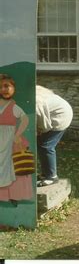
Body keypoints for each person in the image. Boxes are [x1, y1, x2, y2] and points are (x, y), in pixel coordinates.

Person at [0, 74, 33, 203]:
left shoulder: (13, 106)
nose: (4, 89)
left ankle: (13, 195)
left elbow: (25, 119)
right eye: (1, 87)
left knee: (12, 165)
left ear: (13, 88)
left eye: (7, 86)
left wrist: (17, 134)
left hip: (9, 138)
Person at [36, 85, 73, 187]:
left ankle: (51, 177)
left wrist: (40, 131)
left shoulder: (35, 102)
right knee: (41, 144)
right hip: (55, 113)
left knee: (46, 146)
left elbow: (44, 123)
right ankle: (45, 174)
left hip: (60, 116)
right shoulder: (29, 93)